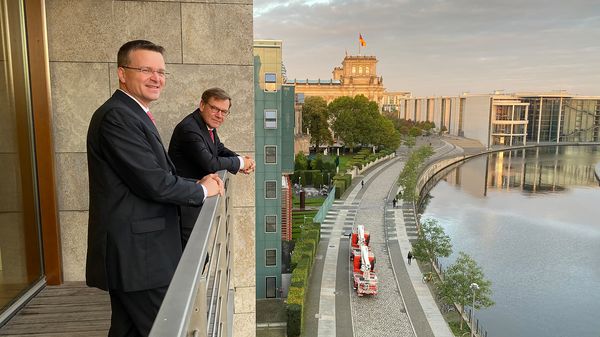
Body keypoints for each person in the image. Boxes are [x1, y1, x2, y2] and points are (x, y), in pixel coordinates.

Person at [86, 40, 224, 337]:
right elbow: (153, 183)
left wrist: (195, 183)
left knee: (128, 331)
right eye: (146, 69)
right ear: (122, 73)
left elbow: (151, 175)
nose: (156, 78)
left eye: (161, 71)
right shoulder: (118, 116)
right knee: (166, 329)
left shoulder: (131, 113)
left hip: (137, 255)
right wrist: (201, 192)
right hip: (140, 257)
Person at [169, 87, 255, 246]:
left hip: (195, 199)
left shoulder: (205, 125)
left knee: (200, 251)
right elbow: (211, 163)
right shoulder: (189, 128)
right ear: (202, 105)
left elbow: (219, 149)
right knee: (191, 254)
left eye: (224, 111)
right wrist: (240, 163)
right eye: (214, 109)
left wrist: (241, 160)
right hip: (184, 204)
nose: (219, 115)